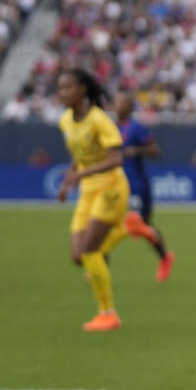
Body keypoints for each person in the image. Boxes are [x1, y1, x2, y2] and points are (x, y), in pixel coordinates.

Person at [56, 69, 130, 331]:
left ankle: (107, 313)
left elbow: (116, 158)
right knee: (78, 256)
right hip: (88, 189)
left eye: (67, 87)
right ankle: (128, 227)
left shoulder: (99, 120)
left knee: (90, 250)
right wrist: (69, 180)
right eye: (60, 87)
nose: (61, 92)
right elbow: (79, 152)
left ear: (82, 90)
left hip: (110, 186)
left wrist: (81, 174)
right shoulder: (65, 120)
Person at [114, 93, 175, 283]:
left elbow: (156, 150)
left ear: (129, 107)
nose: (118, 104)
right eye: (116, 101)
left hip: (137, 185)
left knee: (139, 224)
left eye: (122, 101)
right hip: (115, 185)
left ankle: (165, 257)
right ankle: (98, 268)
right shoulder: (110, 128)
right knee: (105, 223)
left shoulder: (136, 129)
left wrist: (137, 150)